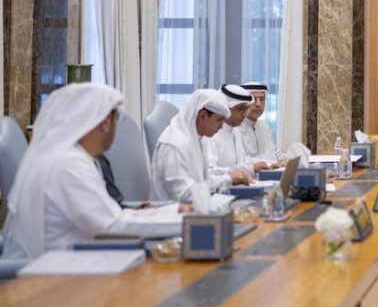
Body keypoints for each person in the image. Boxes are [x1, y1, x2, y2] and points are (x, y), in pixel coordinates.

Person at [0, 84, 186, 259]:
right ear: (105, 122)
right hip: (51, 273)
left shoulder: (72, 157)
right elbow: (112, 226)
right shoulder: (68, 165)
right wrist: (187, 221)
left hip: (71, 263)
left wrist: (174, 212)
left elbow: (111, 217)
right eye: (117, 118)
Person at [151, 89, 252, 202]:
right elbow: (183, 195)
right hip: (173, 211)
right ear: (203, 116)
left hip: (197, 208)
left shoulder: (198, 140)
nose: (221, 127)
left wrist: (229, 178)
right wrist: (228, 179)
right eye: (219, 120)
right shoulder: (175, 144)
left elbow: (202, 183)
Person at [203, 84, 271, 176]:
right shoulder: (210, 134)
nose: (245, 114)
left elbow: (241, 162)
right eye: (240, 109)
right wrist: (238, 174)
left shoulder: (234, 130)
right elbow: (209, 173)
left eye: (246, 108)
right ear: (226, 108)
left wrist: (267, 166)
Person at [238, 82, 282, 165]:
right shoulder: (235, 128)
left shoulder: (264, 126)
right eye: (254, 99)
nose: (258, 104)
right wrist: (270, 165)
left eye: (262, 99)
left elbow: (273, 154)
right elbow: (241, 160)